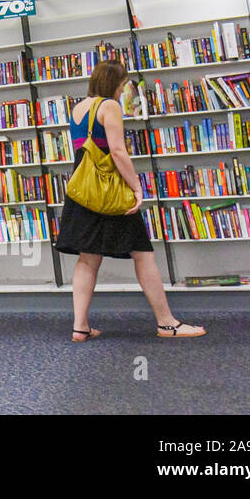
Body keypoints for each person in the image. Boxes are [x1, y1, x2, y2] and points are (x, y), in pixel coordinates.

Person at [55, 60, 206, 341]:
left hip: (83, 191)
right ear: (115, 83)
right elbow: (117, 151)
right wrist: (137, 188)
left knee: (88, 257)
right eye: (123, 85)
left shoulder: (77, 108)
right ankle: (167, 323)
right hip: (110, 191)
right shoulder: (109, 106)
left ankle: (80, 326)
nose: (124, 91)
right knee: (142, 252)